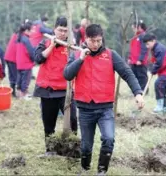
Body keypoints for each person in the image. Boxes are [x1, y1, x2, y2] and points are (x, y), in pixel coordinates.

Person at [64, 24, 144, 175]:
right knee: (86, 145)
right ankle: (85, 168)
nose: (95, 44)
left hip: (105, 109)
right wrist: (81, 59)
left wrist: (138, 93)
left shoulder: (111, 55)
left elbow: (127, 73)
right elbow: (67, 75)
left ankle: (102, 171)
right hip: (85, 108)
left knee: (109, 138)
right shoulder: (76, 55)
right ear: (86, 38)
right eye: (92, 41)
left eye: (99, 41)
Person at [33, 16, 77, 153]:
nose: (62, 33)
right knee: (48, 121)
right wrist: (52, 45)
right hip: (48, 89)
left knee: (72, 120)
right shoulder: (45, 42)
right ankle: (50, 149)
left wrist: (73, 48)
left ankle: (72, 149)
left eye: (65, 31)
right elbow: (38, 59)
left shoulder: (71, 46)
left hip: (66, 90)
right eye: (60, 30)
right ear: (54, 29)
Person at [143, 33, 166, 114]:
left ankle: (160, 107)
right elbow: (155, 62)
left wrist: (153, 71)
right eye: (145, 45)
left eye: (148, 44)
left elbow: (160, 63)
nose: (147, 46)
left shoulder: (159, 49)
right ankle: (164, 108)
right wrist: (153, 70)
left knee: (158, 85)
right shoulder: (155, 48)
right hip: (163, 71)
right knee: (163, 88)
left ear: (153, 41)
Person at [128, 20, 149, 92]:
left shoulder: (143, 36)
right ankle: (136, 91)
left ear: (139, 27)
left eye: (134, 28)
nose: (133, 30)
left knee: (142, 77)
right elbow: (132, 48)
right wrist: (129, 58)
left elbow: (144, 49)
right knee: (134, 76)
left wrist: (140, 60)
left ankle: (143, 91)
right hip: (134, 61)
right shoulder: (135, 36)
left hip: (140, 62)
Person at [16, 21, 35, 99]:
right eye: (31, 30)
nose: (33, 32)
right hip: (26, 63)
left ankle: (20, 93)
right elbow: (30, 52)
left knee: (20, 78)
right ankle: (23, 94)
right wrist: (34, 58)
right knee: (26, 79)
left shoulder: (19, 37)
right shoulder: (26, 39)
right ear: (27, 31)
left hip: (19, 62)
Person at [4, 30, 18, 97]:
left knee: (11, 76)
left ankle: (12, 91)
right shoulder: (18, 37)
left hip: (8, 57)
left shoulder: (14, 35)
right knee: (14, 76)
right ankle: (13, 93)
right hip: (12, 58)